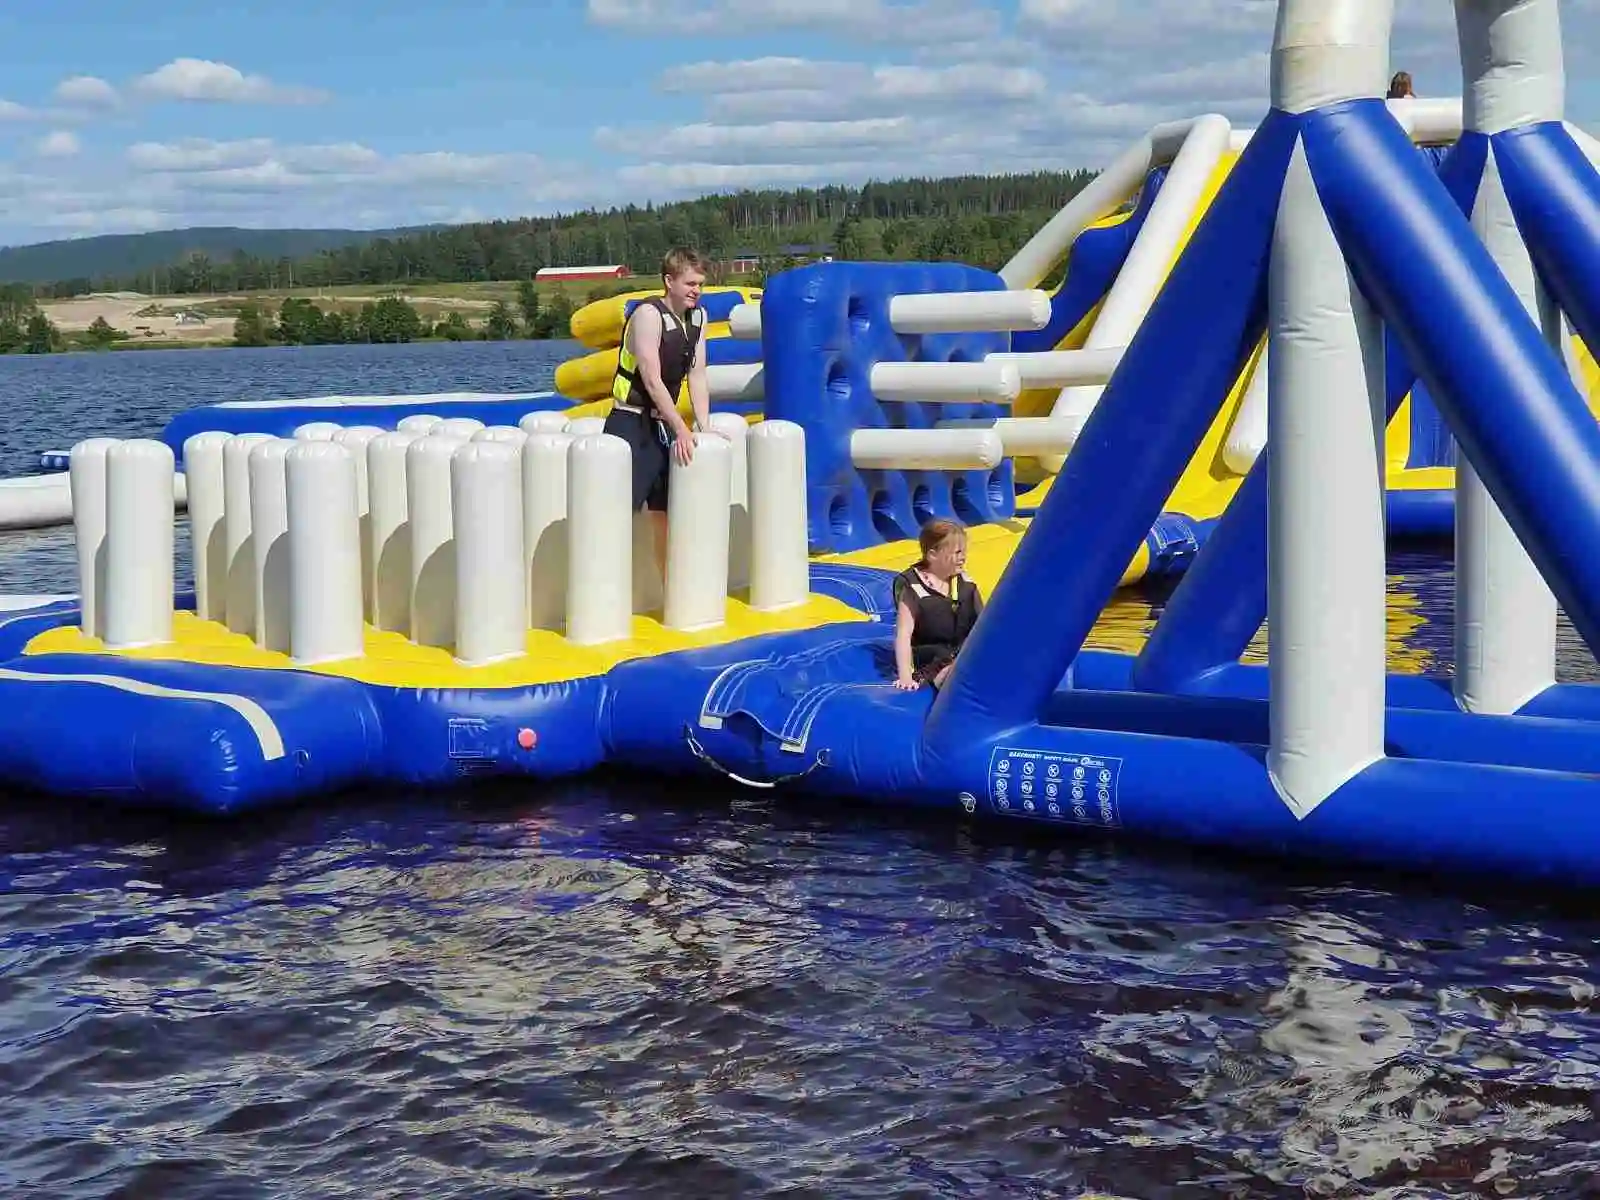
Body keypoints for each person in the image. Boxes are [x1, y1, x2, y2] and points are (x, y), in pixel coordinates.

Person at [605, 246, 720, 577]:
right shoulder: (647, 316)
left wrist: (703, 425)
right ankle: (604, 594)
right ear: (669, 281)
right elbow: (652, 381)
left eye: (700, 284)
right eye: (690, 284)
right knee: (619, 512)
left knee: (665, 512)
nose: (697, 291)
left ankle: (671, 591)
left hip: (662, 425)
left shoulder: (698, 318)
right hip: (630, 422)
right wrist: (681, 429)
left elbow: (697, 374)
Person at [892, 518, 984, 691]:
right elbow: (903, 634)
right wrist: (905, 676)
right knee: (947, 662)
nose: (963, 558)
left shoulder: (966, 583)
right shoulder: (914, 589)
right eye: (957, 552)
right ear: (933, 555)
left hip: (963, 649)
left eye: (964, 552)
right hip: (932, 656)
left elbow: (985, 621)